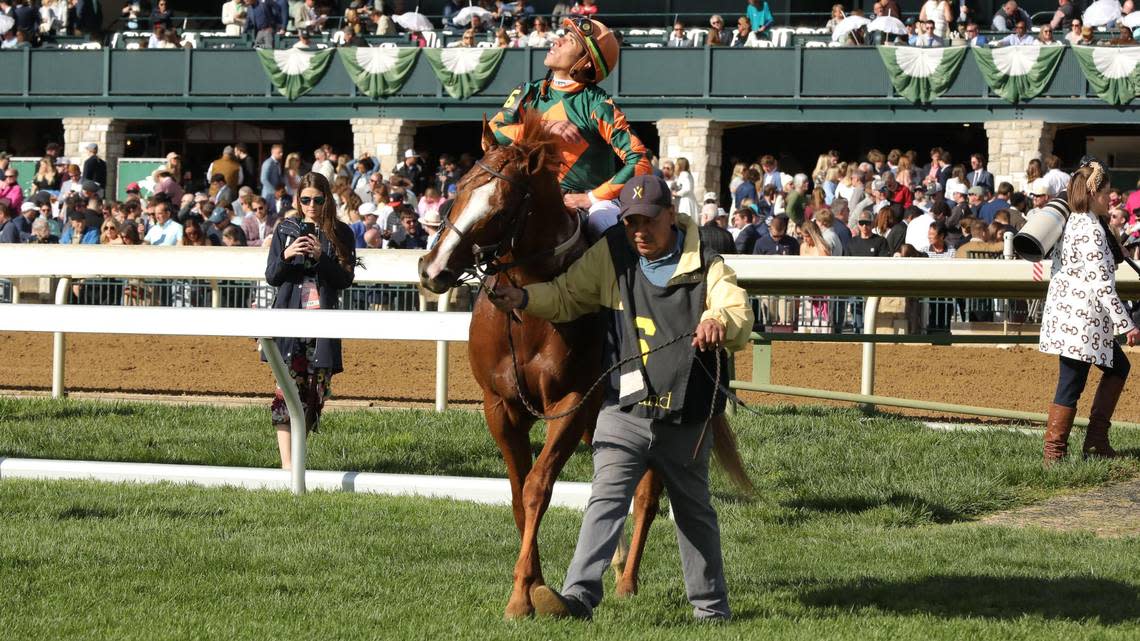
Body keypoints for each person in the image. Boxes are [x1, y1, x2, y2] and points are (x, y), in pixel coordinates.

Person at [488, 174, 752, 622]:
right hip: (624, 412)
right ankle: (577, 599)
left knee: (694, 513)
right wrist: (525, 296)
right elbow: (567, 296)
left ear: (671, 215)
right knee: (605, 502)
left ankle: (710, 610)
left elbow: (735, 307)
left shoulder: (709, 264)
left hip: (685, 417)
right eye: (631, 223)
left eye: (648, 221)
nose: (639, 232)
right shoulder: (612, 255)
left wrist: (718, 321)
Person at [488, 16, 651, 240]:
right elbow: (491, 134)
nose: (557, 41)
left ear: (584, 62)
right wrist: (540, 128)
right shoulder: (528, 92)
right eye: (562, 36)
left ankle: (624, 274)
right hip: (532, 195)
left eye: (570, 40)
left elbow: (640, 161)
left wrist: (592, 198)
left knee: (601, 222)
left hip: (588, 205)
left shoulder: (598, 105)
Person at [1040, 162, 1140, 465]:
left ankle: (1094, 442)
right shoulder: (1090, 228)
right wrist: (1127, 325)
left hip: (1076, 318)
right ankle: (1053, 454)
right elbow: (1101, 283)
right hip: (1081, 322)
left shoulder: (1078, 221)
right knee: (1071, 383)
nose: (1110, 198)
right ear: (1094, 191)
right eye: (1107, 192)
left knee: (1115, 367)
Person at [264, 172, 357, 470]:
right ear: (298, 201)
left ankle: (298, 459)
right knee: (285, 393)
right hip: (291, 323)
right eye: (305, 200)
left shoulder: (341, 233)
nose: (312, 205)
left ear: (327, 199)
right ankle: (288, 466)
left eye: (318, 199)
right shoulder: (285, 230)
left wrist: (322, 257)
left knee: (315, 395)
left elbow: (344, 280)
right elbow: (272, 276)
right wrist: (288, 254)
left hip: (322, 325)